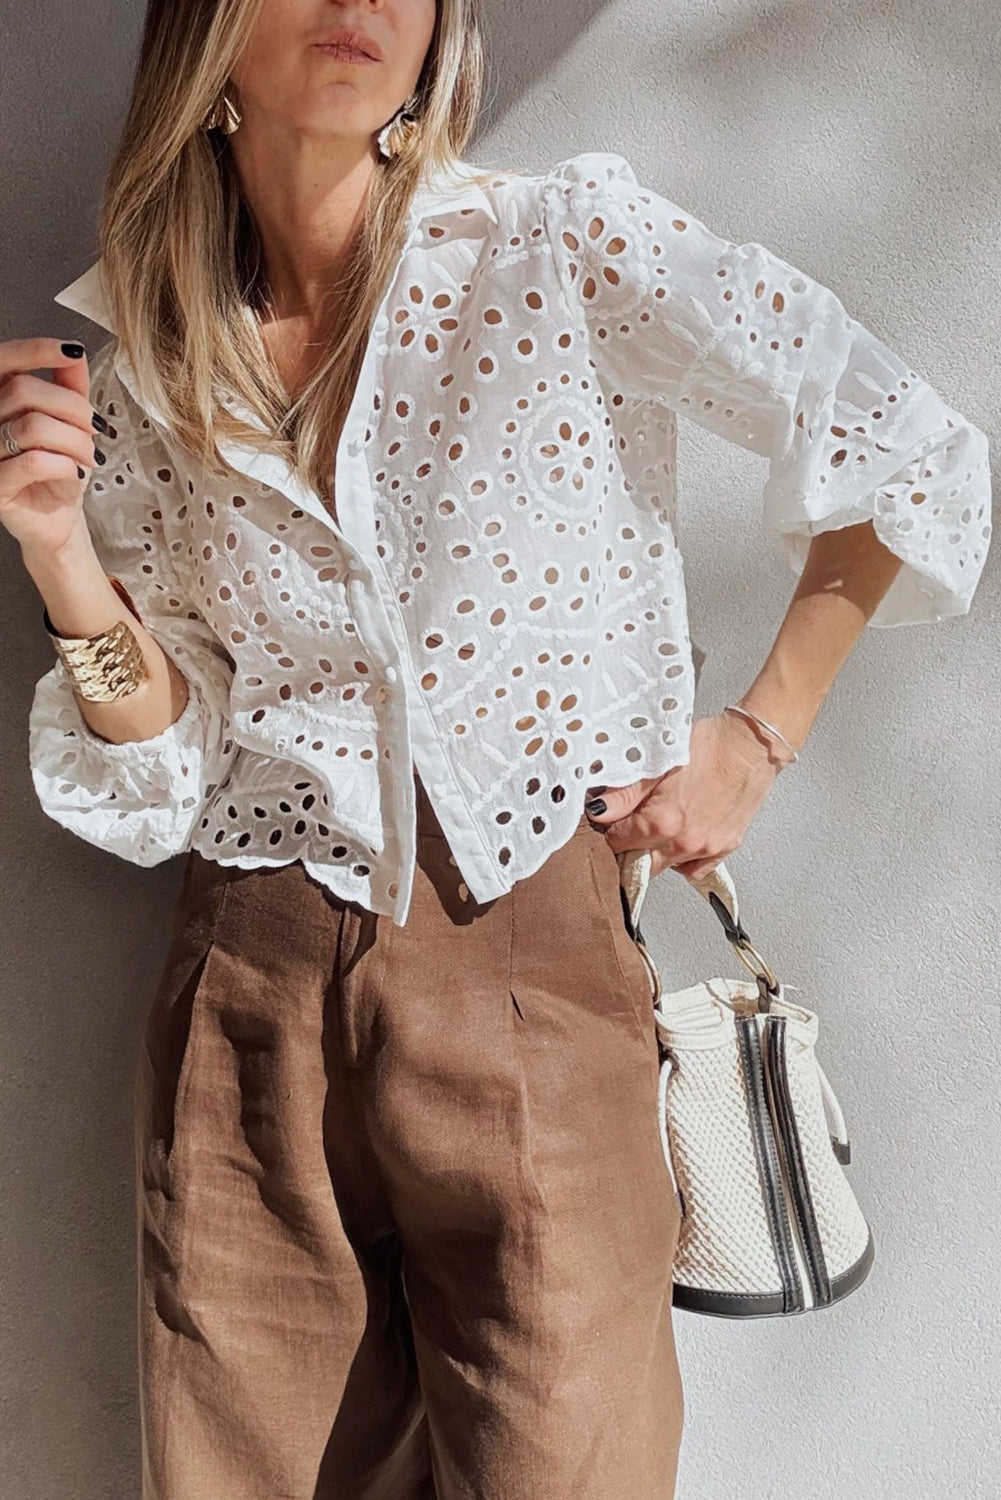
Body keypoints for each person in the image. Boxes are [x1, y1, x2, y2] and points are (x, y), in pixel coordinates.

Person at [2, 1, 991, 1496]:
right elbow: (164, 767)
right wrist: (59, 550)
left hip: (536, 966)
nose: (362, 3)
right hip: (250, 1000)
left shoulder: (557, 249)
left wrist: (754, 738)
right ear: (207, 34)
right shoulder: (142, 365)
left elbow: (904, 445)